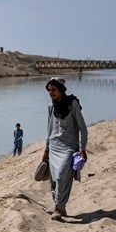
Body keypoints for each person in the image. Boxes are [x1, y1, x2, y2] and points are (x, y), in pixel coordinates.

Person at [43, 78, 88, 221]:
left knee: (62, 175)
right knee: (54, 179)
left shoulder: (72, 104)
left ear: (61, 90)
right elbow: (49, 129)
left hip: (69, 148)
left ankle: (59, 207)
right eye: (49, 90)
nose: (51, 93)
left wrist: (83, 148)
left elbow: (82, 128)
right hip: (54, 147)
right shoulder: (51, 106)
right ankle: (59, 206)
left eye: (54, 90)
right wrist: (46, 149)